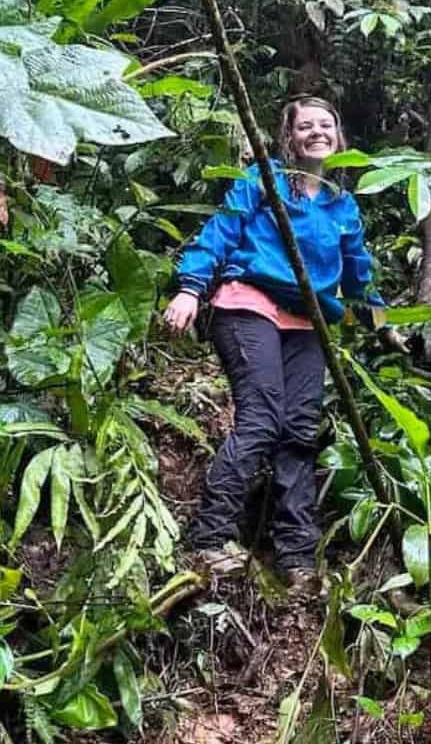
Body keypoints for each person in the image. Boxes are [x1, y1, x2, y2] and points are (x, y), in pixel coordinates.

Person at [162, 96, 389, 594]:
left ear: (338, 135)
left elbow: (358, 276)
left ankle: (297, 558)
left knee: (299, 433)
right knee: (262, 418)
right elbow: (220, 232)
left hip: (307, 322)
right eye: (305, 126)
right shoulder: (262, 180)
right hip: (250, 304)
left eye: (325, 124)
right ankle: (211, 538)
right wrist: (189, 288)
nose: (317, 133)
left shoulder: (340, 204)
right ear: (288, 136)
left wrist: (385, 324)